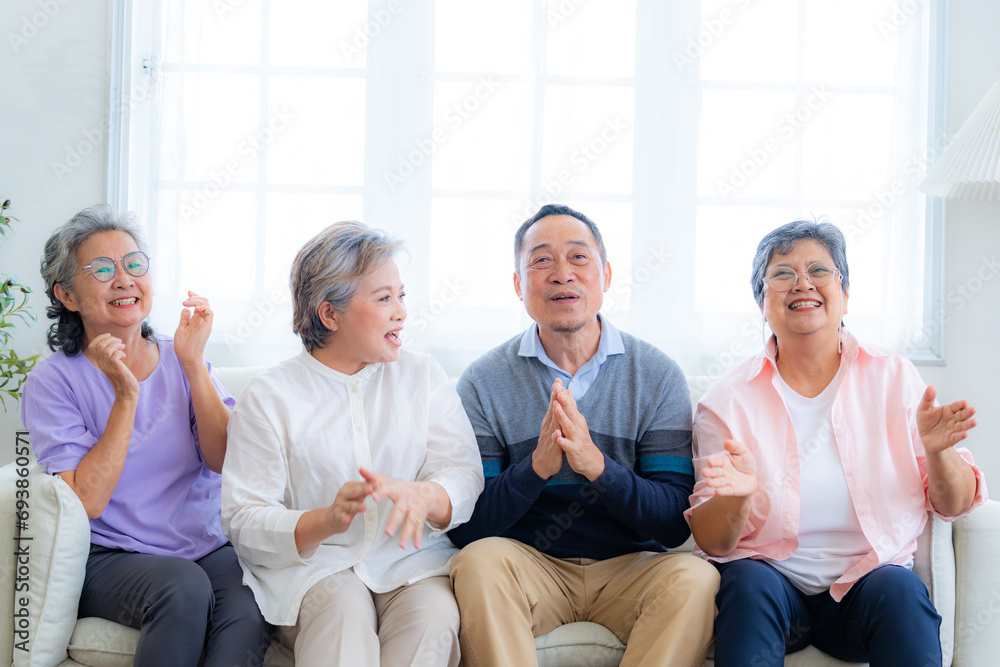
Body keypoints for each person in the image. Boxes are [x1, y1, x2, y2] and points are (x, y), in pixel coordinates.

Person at [686, 220, 988, 666]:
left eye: (819, 271)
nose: (802, 283)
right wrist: (737, 498)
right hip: (771, 588)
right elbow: (714, 543)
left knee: (901, 590)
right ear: (762, 303)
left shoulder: (894, 377)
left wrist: (939, 453)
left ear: (845, 294)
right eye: (782, 274)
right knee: (747, 584)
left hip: (867, 588)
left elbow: (954, 504)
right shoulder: (726, 400)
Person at [448, 204, 719, 667]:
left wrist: (597, 466)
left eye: (578, 257)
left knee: (696, 578)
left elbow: (675, 521)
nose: (562, 273)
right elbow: (468, 527)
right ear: (518, 284)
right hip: (530, 565)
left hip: (632, 567)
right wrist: (536, 468)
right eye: (541, 260)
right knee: (478, 562)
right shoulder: (482, 381)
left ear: (605, 275)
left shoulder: (656, 374)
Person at [221, 221, 485, 666]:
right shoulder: (268, 396)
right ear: (330, 315)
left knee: (433, 617)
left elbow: (463, 472)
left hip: (412, 562)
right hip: (316, 568)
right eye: (383, 299)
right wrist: (325, 520)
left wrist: (427, 495)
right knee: (341, 613)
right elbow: (244, 519)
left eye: (401, 295)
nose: (401, 312)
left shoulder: (422, 375)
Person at [21, 204, 270, 666]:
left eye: (134, 264)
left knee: (252, 599)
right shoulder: (52, 382)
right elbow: (86, 501)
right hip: (111, 555)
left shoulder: (182, 357)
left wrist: (193, 365)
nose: (124, 280)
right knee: (183, 587)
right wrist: (125, 396)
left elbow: (224, 460)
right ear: (67, 295)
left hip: (205, 544)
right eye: (102, 269)